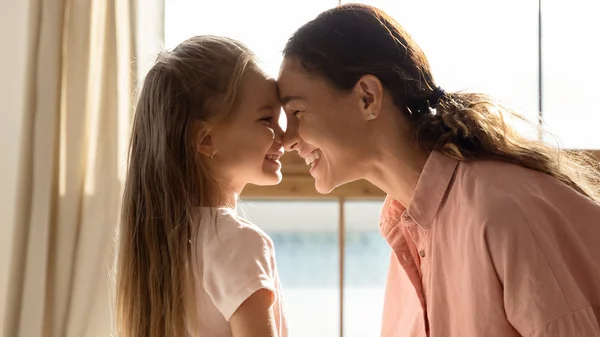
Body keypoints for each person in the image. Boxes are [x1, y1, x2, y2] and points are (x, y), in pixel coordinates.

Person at [278, 4, 600, 337]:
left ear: (367, 97)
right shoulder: (407, 234)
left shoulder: (502, 211)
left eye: (297, 111)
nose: (287, 141)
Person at [116, 36, 288, 337]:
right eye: (266, 120)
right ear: (206, 140)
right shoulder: (238, 242)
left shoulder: (156, 245)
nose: (283, 135)